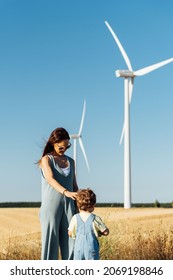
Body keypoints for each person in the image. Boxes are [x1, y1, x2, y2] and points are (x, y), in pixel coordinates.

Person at [38, 127, 78, 260]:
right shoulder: (47, 160)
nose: (64, 150)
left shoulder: (71, 162)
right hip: (51, 206)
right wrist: (65, 192)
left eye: (67, 147)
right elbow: (50, 179)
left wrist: (78, 205)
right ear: (53, 143)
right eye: (61, 147)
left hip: (69, 206)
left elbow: (74, 185)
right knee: (50, 244)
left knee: (71, 243)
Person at [68, 188, 109, 260]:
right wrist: (100, 232)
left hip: (78, 249)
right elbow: (105, 232)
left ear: (78, 205)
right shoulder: (95, 218)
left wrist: (75, 234)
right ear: (93, 205)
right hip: (91, 249)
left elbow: (70, 233)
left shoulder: (75, 218)